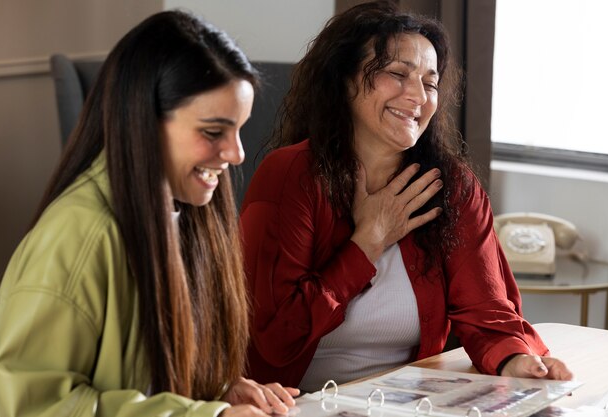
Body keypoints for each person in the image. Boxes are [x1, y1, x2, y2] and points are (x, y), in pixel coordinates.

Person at [240, 1, 573, 393]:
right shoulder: (289, 175)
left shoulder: (452, 185)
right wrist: (367, 242)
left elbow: (487, 312)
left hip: (409, 402)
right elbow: (277, 337)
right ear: (344, 81)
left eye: (430, 83)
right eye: (397, 73)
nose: (418, 95)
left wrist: (515, 360)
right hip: (302, 401)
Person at [0, 10, 299, 417]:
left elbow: (151, 376)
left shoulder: (187, 212)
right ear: (143, 122)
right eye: (213, 132)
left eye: (239, 129)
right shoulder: (78, 235)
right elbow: (31, 406)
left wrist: (219, 392)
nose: (237, 153)